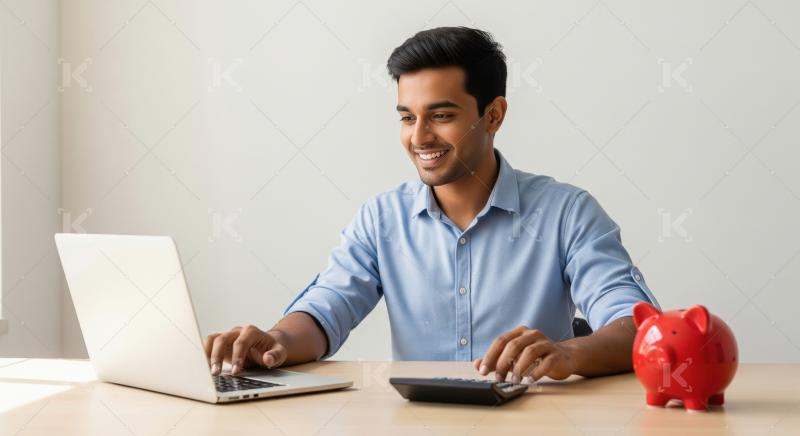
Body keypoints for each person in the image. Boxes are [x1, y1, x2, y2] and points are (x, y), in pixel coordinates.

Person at [205, 26, 659, 384]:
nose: (419, 137)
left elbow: (640, 328)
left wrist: (566, 354)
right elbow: (328, 309)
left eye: (441, 116)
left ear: (494, 115)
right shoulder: (381, 219)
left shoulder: (568, 213)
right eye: (407, 117)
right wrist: (275, 342)